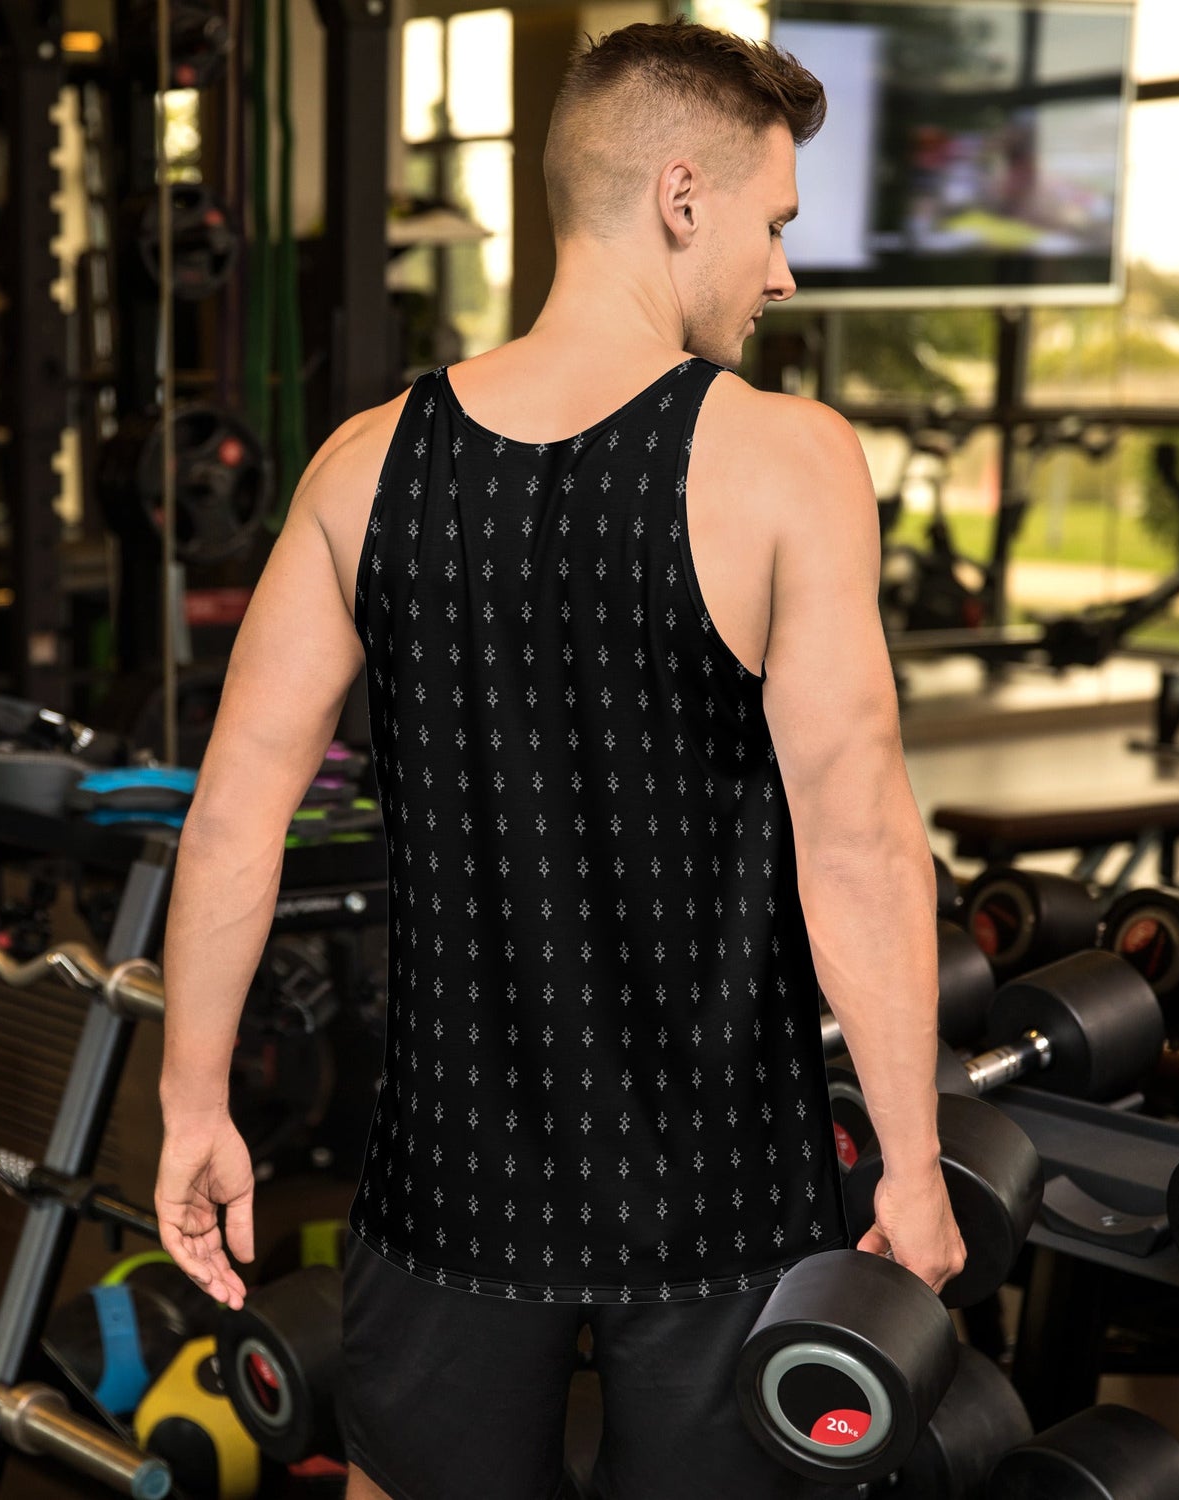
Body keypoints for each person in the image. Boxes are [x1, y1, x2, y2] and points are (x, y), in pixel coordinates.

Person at [154, 17, 964, 1500]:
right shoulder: (791, 462)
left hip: (450, 1194)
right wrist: (910, 1171)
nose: (780, 273)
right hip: (720, 1202)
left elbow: (233, 816)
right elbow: (858, 844)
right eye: (774, 225)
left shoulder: (361, 462)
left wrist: (194, 1106)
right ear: (681, 196)